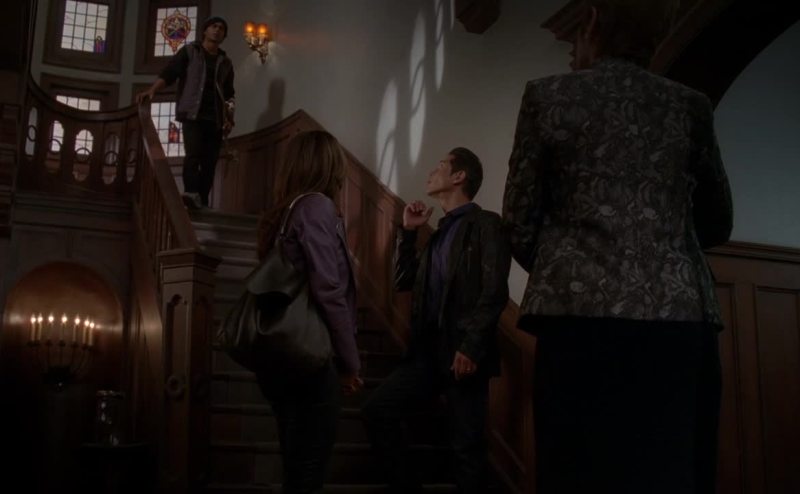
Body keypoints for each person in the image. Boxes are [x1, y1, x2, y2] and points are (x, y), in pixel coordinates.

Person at [502, 1, 733, 493]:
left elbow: (519, 220)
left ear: (591, 22)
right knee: (671, 471)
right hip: (679, 320)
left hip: (577, 321)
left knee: (578, 472)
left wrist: (567, 266)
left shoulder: (547, 96)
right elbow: (718, 220)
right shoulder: (690, 105)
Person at [362, 148, 511, 494]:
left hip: (463, 355)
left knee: (466, 449)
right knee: (376, 410)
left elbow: (494, 291)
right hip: (427, 354)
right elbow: (403, 281)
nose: (432, 172)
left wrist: (471, 346)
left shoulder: (486, 224)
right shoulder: (438, 234)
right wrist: (408, 233)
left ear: (459, 176)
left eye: (441, 165)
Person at [254, 130, 363, 493]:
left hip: (281, 358)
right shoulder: (317, 207)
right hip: (309, 357)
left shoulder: (285, 212)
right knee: (308, 473)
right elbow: (328, 290)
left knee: (296, 468)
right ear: (329, 166)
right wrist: (350, 361)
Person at [136, 16, 235, 209]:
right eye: (214, 26)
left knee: (210, 162)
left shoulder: (226, 62)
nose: (217, 30)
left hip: (215, 118)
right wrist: (152, 90)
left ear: (224, 35)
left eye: (221, 28)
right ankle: (190, 194)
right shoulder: (190, 52)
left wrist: (230, 118)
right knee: (193, 155)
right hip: (192, 114)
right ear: (205, 30)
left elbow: (230, 93)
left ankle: (202, 201)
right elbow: (170, 73)